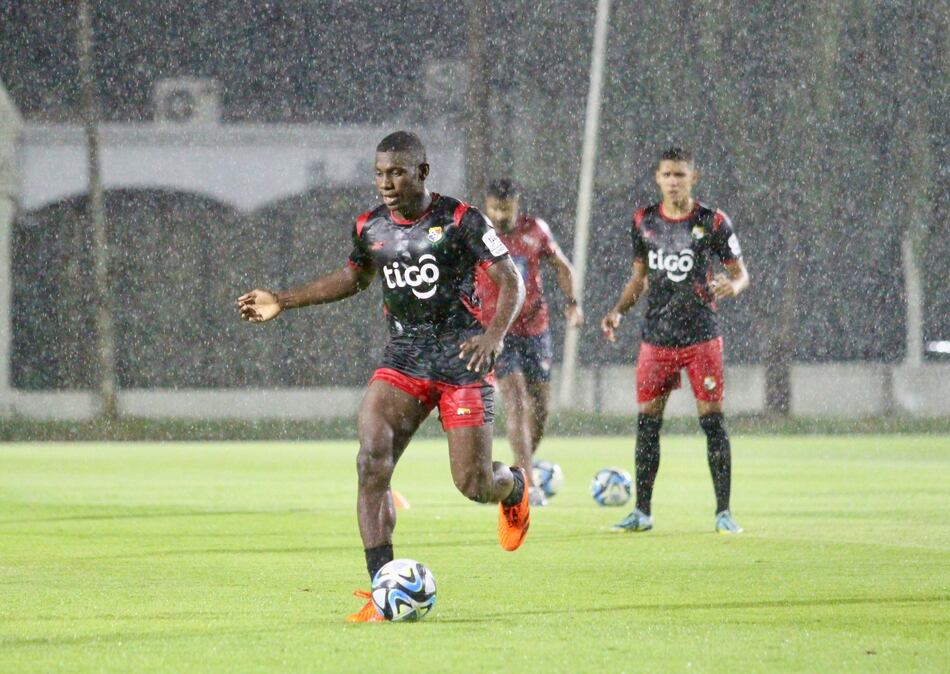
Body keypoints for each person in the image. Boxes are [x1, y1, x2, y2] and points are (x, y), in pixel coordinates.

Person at [237, 131, 529, 622]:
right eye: (379, 173)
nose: (387, 182)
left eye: (397, 172)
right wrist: (285, 300)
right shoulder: (369, 226)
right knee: (371, 462)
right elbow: (354, 277)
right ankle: (382, 588)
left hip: (462, 359)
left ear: (422, 171)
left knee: (474, 484)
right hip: (405, 359)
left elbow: (510, 280)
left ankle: (514, 487)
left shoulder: (461, 220)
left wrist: (494, 335)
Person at [600, 146, 750, 534]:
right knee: (648, 423)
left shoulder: (713, 221)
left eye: (680, 175)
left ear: (693, 178)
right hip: (658, 337)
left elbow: (741, 273)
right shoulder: (644, 221)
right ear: (657, 178)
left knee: (712, 422)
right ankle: (642, 512)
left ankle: (723, 513)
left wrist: (733, 286)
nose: (673, 182)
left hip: (701, 336)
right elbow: (639, 278)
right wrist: (618, 311)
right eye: (667, 175)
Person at [476, 179, 583, 506]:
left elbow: (563, 267)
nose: (499, 214)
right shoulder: (478, 234)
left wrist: (573, 302)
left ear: (516, 204)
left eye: (505, 208)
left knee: (541, 407)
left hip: (535, 327)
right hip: (497, 331)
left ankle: (520, 468)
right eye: (494, 207)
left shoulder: (534, 230)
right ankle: (529, 483)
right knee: (516, 401)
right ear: (486, 204)